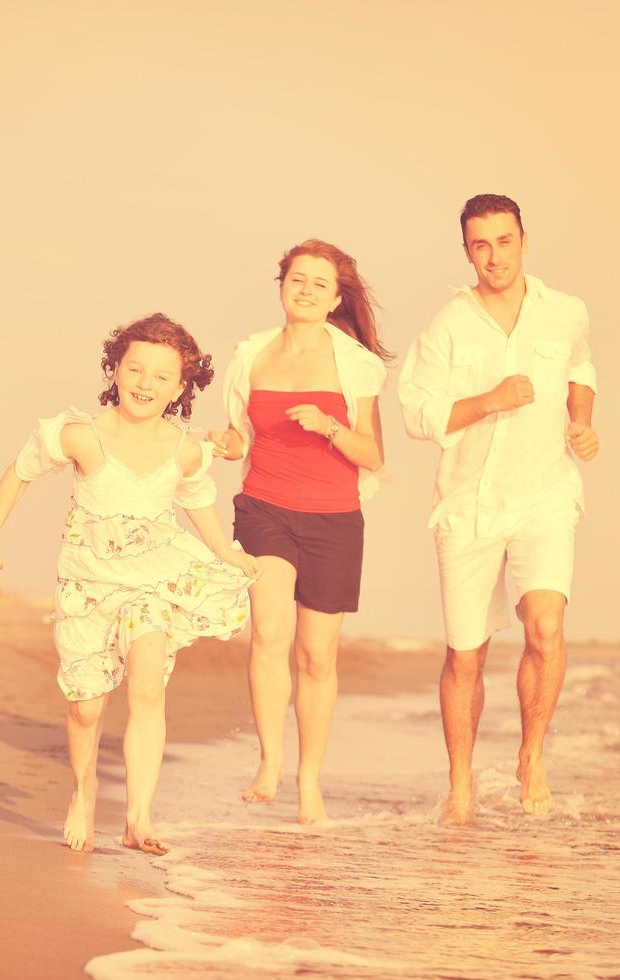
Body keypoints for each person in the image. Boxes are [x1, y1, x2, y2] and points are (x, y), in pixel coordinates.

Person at [0, 314, 258, 856]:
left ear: (181, 387)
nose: (146, 384)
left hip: (150, 583)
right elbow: (20, 470)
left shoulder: (184, 448)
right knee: (87, 706)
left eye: (162, 376)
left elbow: (196, 499)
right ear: (116, 369)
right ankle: (83, 788)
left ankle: (139, 817)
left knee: (148, 688)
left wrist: (226, 552)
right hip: (87, 586)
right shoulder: (81, 435)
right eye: (136, 369)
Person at [398, 194, 600, 823]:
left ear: (523, 240)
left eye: (504, 241)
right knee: (466, 653)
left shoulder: (565, 312)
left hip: (545, 494)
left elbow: (582, 367)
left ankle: (532, 756)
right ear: (467, 251)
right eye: (480, 245)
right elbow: (417, 415)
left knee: (545, 625)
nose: (494, 256)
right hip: (469, 507)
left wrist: (582, 423)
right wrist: (488, 399)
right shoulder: (445, 327)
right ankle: (461, 786)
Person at [206, 240, 392, 824]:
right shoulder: (252, 354)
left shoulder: (355, 363)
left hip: (334, 518)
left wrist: (331, 427)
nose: (306, 289)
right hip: (266, 507)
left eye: (320, 283)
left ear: (336, 297)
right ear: (282, 285)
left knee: (317, 655)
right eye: (298, 279)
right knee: (269, 632)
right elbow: (240, 435)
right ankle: (270, 762)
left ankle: (310, 782)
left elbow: (374, 455)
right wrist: (224, 443)